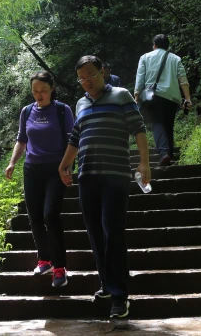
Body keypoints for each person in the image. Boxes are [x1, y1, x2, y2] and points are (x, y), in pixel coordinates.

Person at [58, 55, 151, 319]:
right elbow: (76, 136)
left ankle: (120, 297)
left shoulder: (121, 95)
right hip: (87, 176)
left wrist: (144, 164)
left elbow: (139, 129)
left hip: (116, 176)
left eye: (91, 74)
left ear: (103, 72)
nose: (86, 81)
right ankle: (106, 285)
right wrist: (64, 165)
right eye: (82, 78)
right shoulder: (80, 103)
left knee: (113, 232)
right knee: (95, 234)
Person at [5, 71, 74, 288]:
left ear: (52, 88)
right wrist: (13, 162)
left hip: (56, 168)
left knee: (50, 215)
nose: (39, 94)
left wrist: (68, 166)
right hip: (32, 169)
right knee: (34, 216)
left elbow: (72, 140)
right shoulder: (27, 111)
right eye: (35, 91)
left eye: (43, 90)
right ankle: (44, 260)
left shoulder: (62, 110)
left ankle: (60, 267)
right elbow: (21, 140)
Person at [134, 34, 192, 166]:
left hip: (153, 96)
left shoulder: (145, 57)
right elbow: (182, 79)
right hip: (172, 97)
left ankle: (164, 153)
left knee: (158, 123)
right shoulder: (175, 59)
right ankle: (169, 154)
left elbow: (140, 79)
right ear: (168, 46)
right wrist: (187, 98)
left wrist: (137, 97)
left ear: (154, 45)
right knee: (168, 125)